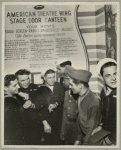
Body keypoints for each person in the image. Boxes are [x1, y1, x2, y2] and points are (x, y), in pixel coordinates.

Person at [65, 65, 101, 145]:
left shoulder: (93, 102)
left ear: (80, 86)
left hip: (91, 142)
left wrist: (84, 145)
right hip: (84, 139)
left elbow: (91, 130)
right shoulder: (80, 97)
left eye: (72, 85)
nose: (70, 87)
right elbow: (81, 122)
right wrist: (78, 139)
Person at [15, 69, 51, 145]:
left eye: (27, 79)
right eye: (23, 80)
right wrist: (18, 92)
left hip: (36, 125)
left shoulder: (38, 89)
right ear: (17, 81)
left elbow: (42, 107)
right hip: (22, 127)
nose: (26, 82)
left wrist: (45, 123)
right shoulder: (16, 92)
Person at [92, 58, 117, 145]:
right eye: (108, 75)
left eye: (115, 73)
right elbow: (104, 113)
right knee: (91, 140)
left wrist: (111, 140)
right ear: (102, 77)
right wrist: (100, 126)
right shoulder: (103, 91)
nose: (113, 78)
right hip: (107, 130)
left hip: (115, 136)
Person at [42, 69, 65, 145]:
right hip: (48, 120)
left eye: (53, 77)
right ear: (44, 78)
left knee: (60, 140)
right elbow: (39, 108)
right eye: (49, 78)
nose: (52, 80)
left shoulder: (59, 86)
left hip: (60, 119)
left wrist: (56, 104)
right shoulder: (41, 89)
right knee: (49, 141)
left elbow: (63, 99)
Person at [4, 74, 25, 145]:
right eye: (14, 85)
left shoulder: (13, 97)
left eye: (17, 84)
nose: (18, 87)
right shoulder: (7, 102)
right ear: (5, 88)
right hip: (14, 139)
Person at [60, 73, 79, 145]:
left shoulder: (79, 94)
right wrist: (63, 131)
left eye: (64, 80)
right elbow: (64, 114)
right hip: (67, 128)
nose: (62, 82)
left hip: (77, 129)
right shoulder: (65, 93)